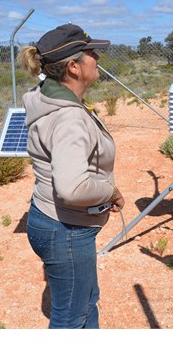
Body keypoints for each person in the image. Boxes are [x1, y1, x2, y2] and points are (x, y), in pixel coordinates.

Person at [18, 23, 125, 329]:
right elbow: (73, 188)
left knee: (84, 304)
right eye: (91, 53)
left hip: (48, 218)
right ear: (74, 68)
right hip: (66, 229)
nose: (97, 58)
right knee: (70, 318)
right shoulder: (68, 118)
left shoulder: (45, 96)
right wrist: (110, 191)